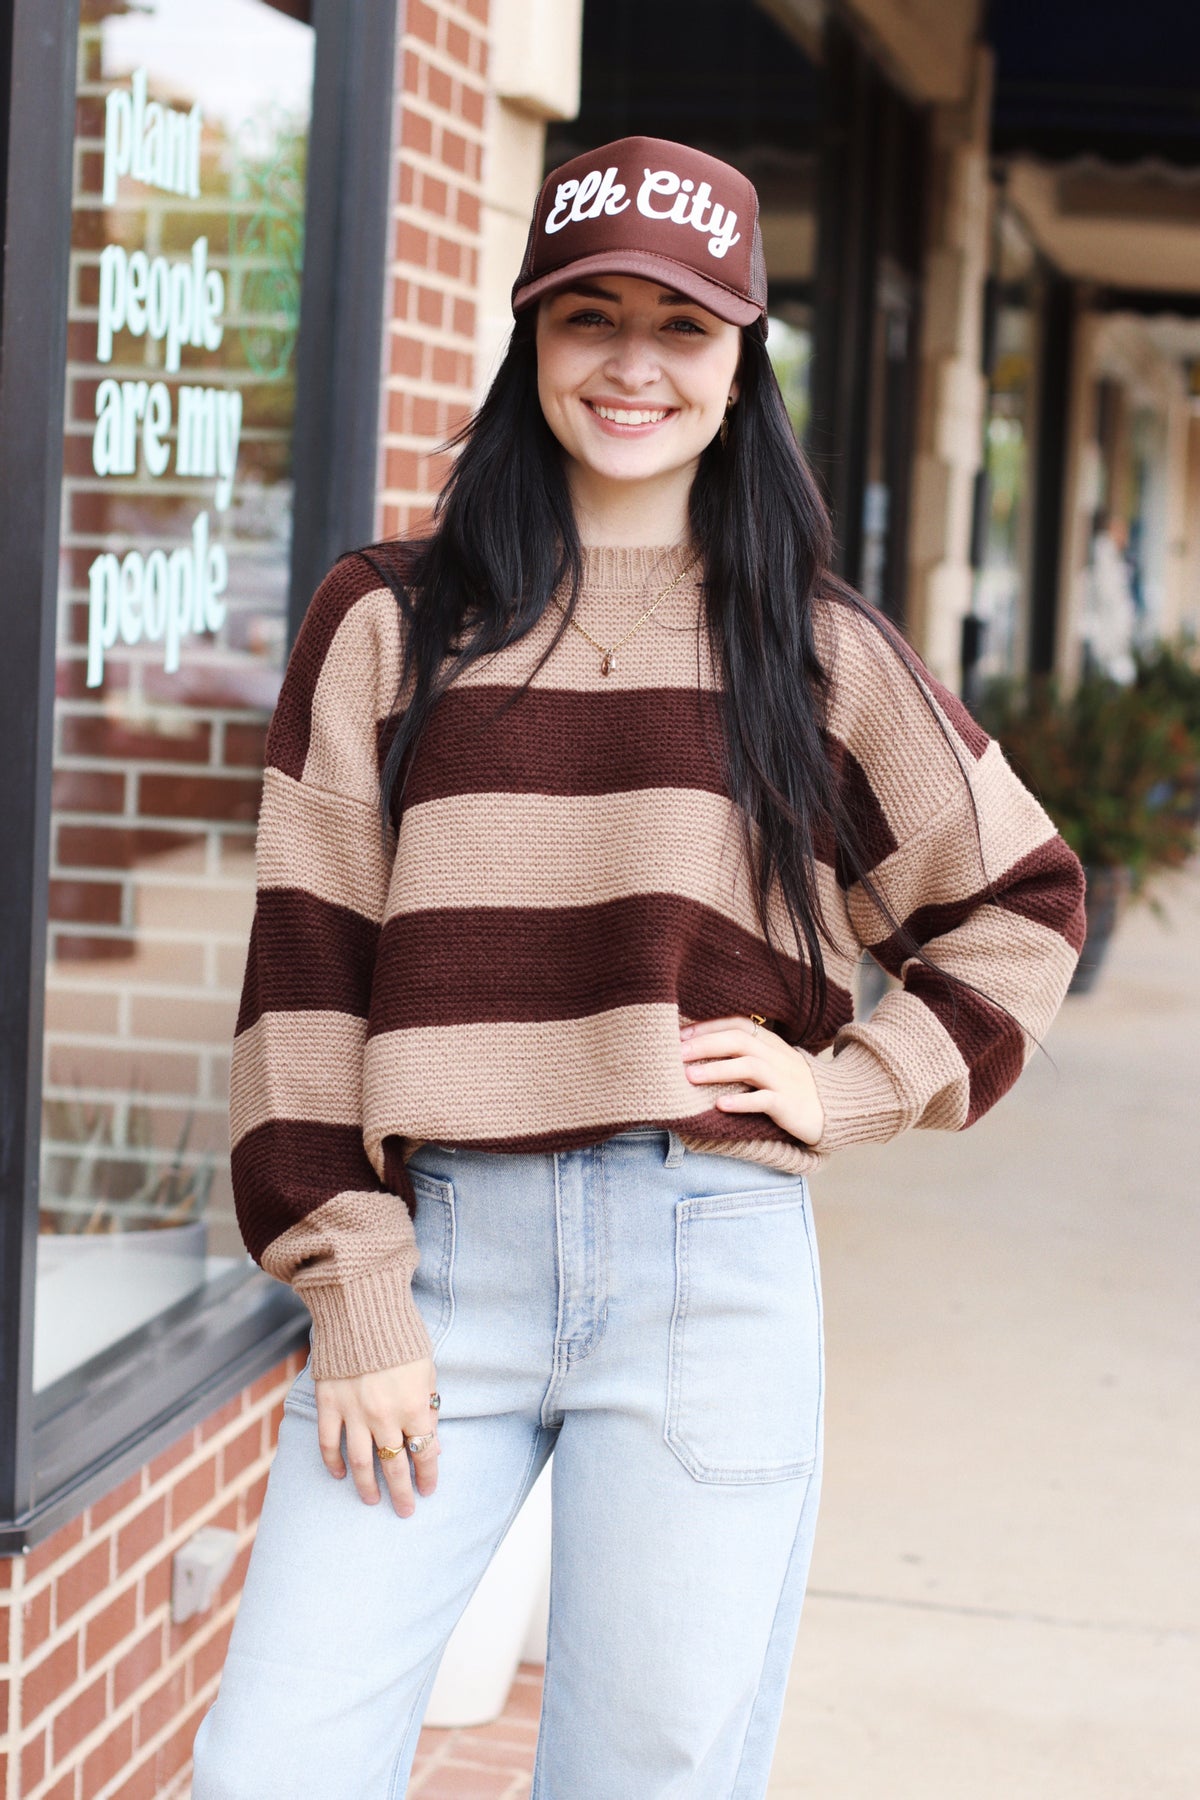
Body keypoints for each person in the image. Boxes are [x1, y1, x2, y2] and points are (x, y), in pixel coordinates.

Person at [192, 135, 1086, 1799]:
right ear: (530, 339)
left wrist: (858, 1085)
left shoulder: (812, 649)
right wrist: (355, 1284)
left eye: (682, 328)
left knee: (646, 1779)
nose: (632, 365)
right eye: (590, 315)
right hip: (435, 1273)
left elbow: (1020, 900)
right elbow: (306, 982)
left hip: (706, 1265)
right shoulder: (389, 621)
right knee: (271, 1763)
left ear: (745, 364)